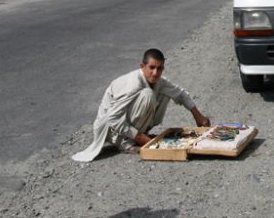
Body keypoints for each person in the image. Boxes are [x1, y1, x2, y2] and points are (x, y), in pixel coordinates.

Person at [72, 48, 210, 162]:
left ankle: (139, 134)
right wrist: (140, 138)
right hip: (111, 130)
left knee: (165, 92)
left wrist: (199, 116)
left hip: (125, 123)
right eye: (151, 68)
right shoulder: (133, 83)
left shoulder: (159, 81)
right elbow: (112, 118)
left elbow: (180, 94)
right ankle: (125, 143)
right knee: (148, 95)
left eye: (159, 68)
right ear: (142, 67)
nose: (155, 73)